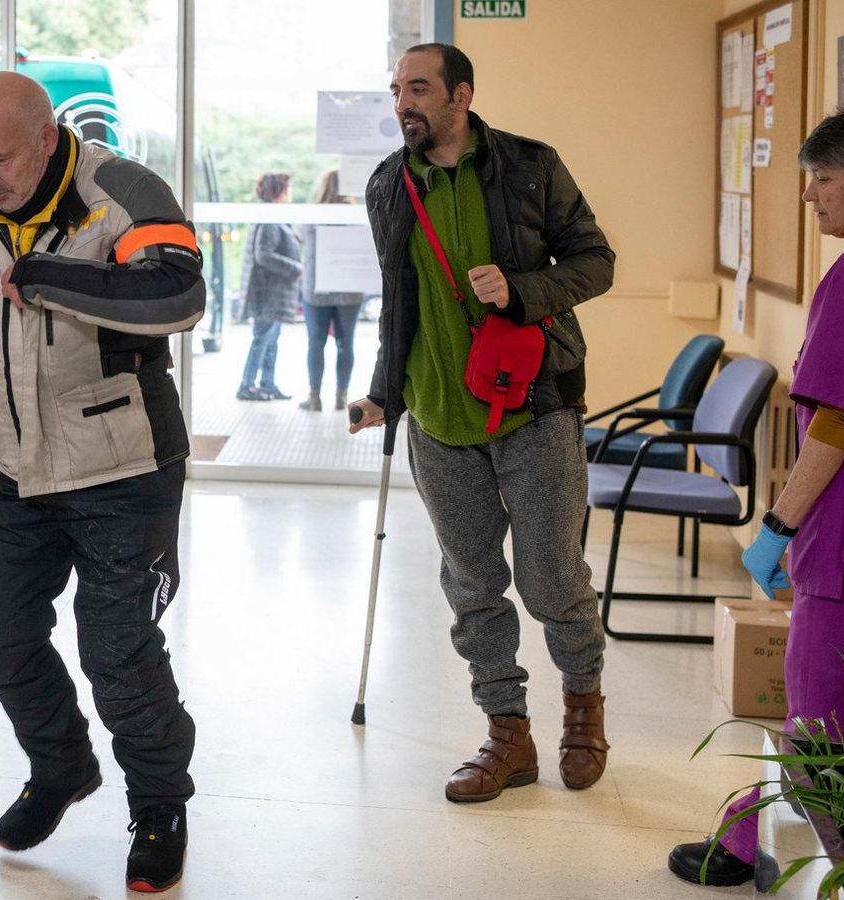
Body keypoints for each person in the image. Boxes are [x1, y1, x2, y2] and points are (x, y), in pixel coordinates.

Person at [0, 71, 203, 894]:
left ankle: (159, 806)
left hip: (126, 463)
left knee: (117, 651)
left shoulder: (122, 191)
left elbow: (180, 294)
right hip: (19, 464)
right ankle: (63, 765)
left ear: (47, 139)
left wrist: (53, 277)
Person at [348, 43, 615, 803]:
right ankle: (507, 734)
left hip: (534, 406)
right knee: (472, 585)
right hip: (436, 415)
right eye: (398, 88)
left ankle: (583, 710)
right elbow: (399, 305)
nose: (404, 101)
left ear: (461, 96)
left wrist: (524, 288)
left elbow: (597, 261)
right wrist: (382, 395)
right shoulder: (388, 186)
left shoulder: (530, 166)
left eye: (420, 88)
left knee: (552, 578)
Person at [668, 105, 844, 888]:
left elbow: (835, 422)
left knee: (822, 720)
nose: (811, 196)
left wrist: (780, 525)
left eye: (824, 180)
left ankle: (783, 852)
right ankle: (777, 844)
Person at [298, 169, 367, 411]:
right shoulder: (357, 214)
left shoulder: (313, 214)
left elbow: (303, 243)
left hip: (317, 291)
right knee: (345, 343)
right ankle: (341, 395)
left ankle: (315, 397)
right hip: (349, 289)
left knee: (315, 342)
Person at [236, 173, 302, 401]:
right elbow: (263, 255)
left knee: (270, 339)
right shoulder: (269, 217)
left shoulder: (272, 214)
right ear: (278, 191)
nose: (290, 193)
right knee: (262, 339)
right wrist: (295, 267)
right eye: (287, 188)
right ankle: (246, 385)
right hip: (267, 292)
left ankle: (267, 384)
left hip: (272, 292)